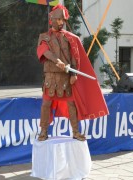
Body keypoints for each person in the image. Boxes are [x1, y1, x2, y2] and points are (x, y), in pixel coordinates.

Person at [37, 4, 109, 141]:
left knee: (72, 104)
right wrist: (57, 61)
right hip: (50, 78)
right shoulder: (44, 37)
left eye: (62, 20)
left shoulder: (70, 38)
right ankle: (43, 131)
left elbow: (74, 56)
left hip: (66, 78)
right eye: (58, 20)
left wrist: (73, 74)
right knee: (46, 104)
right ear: (51, 19)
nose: (61, 23)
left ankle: (75, 132)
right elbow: (44, 51)